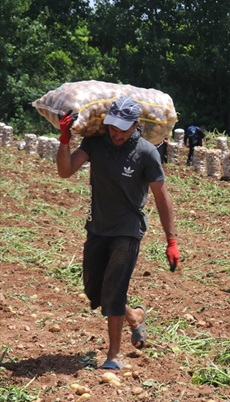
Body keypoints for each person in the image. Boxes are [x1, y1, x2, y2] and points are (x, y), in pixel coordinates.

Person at [55, 96, 180, 370]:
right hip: (98, 227)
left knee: (114, 289)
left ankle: (113, 356)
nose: (116, 133)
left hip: (128, 229)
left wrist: (171, 240)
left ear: (135, 126)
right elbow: (65, 171)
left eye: (123, 128)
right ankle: (134, 317)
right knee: (94, 291)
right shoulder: (95, 144)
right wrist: (65, 139)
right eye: (113, 126)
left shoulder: (147, 153)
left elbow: (161, 196)